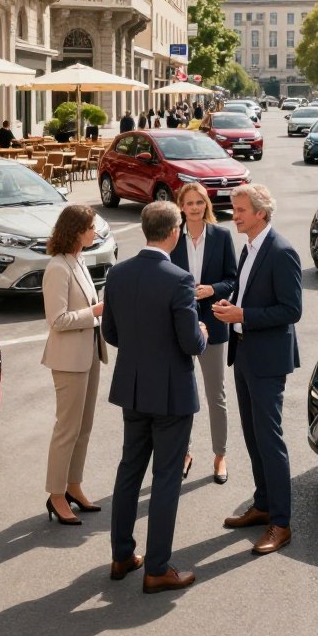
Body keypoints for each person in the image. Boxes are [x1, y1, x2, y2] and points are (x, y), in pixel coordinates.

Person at [104, 201, 208, 593]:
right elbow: (190, 343)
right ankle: (157, 567)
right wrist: (201, 330)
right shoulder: (178, 279)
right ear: (173, 232)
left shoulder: (118, 273)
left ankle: (121, 555)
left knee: (129, 470)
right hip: (171, 393)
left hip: (132, 388)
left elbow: (111, 333)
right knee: (166, 478)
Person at [213, 185, 302, 557]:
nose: (235, 215)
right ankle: (263, 503)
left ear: (261, 213)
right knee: (251, 437)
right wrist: (232, 305)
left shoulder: (282, 252)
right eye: (234, 209)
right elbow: (250, 294)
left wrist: (243, 316)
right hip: (244, 354)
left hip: (267, 360)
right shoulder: (248, 249)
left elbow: (291, 310)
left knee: (269, 439)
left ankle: (280, 523)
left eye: (241, 209)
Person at [41, 205, 107, 526]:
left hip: (90, 352)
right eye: (91, 227)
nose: (95, 232)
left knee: (84, 427)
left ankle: (73, 487)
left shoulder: (78, 260)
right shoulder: (57, 267)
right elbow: (58, 319)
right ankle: (56, 494)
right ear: (76, 230)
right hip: (69, 359)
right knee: (67, 429)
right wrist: (95, 312)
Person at [170, 182, 238, 485]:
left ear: (206, 205)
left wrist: (212, 289)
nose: (195, 208)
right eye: (189, 203)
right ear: (181, 206)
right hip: (181, 326)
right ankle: (184, 452)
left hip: (213, 322)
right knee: (182, 394)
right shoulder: (173, 237)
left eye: (200, 202)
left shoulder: (221, 236)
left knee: (215, 394)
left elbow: (232, 278)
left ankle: (220, 454)